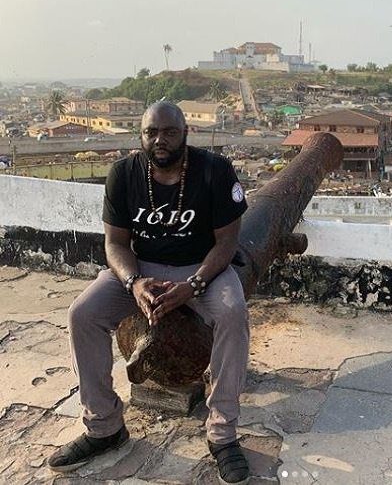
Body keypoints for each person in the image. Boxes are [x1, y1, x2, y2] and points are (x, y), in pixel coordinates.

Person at [48, 101, 251, 485]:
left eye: (169, 132)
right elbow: (115, 244)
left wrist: (194, 285)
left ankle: (222, 434)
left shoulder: (214, 172)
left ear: (184, 133)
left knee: (232, 312)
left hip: (200, 268)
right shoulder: (124, 174)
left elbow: (227, 243)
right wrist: (133, 282)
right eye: (151, 132)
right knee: (82, 314)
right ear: (141, 135)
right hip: (141, 269)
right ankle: (103, 426)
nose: (160, 140)